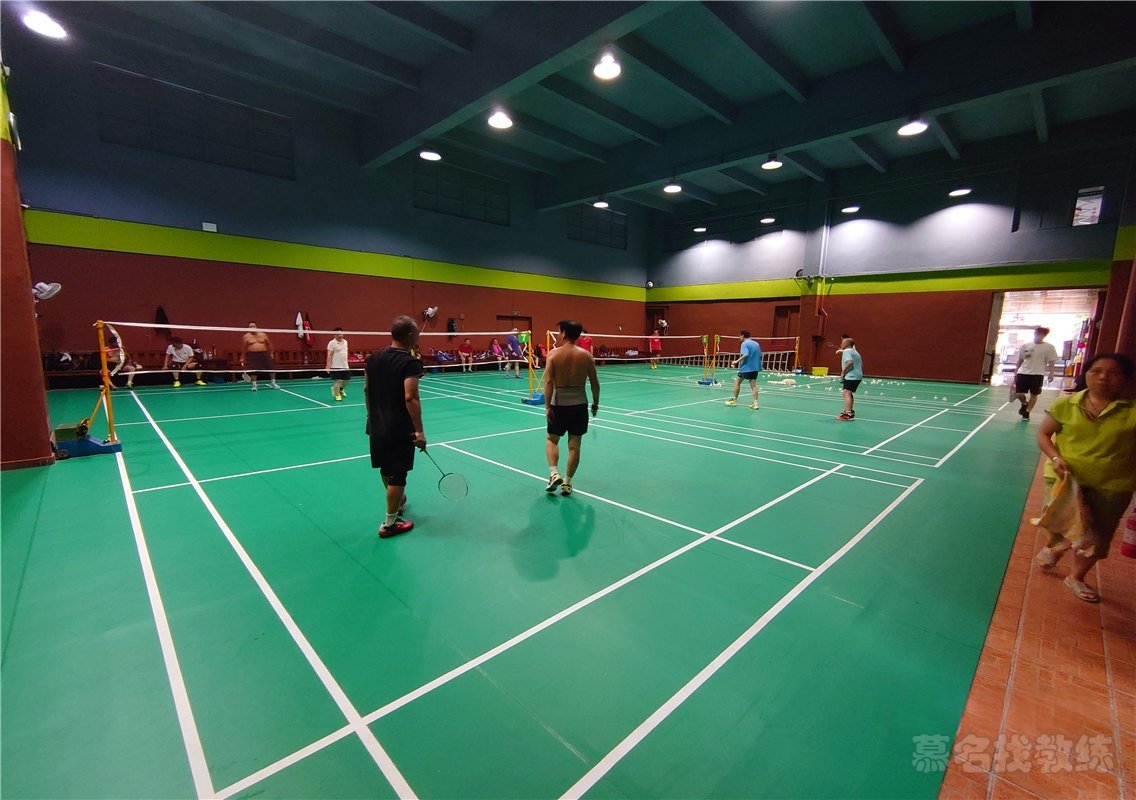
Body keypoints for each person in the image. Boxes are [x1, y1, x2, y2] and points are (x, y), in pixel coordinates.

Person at [1034, 353, 1136, 603]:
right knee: (1057, 522)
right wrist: (1055, 458)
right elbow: (1044, 434)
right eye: (1096, 371)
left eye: (1114, 373)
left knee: (1096, 536)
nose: (1103, 377)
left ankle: (1076, 577)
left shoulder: (1132, 411)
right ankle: (1056, 547)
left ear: (1125, 379)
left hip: (1111, 485)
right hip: (1064, 481)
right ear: (1086, 374)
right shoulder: (1066, 405)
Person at [365, 315, 427, 538]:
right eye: (417, 333)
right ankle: (389, 524)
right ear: (410, 335)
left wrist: (371, 416)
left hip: (376, 423)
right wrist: (419, 430)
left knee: (385, 468)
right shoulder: (410, 362)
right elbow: (411, 397)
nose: (419, 336)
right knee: (398, 475)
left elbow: (366, 389)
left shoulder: (373, 358)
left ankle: (397, 502)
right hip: (399, 427)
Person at [543, 319, 600, 496]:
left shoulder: (553, 355)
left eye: (559, 331)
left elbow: (549, 382)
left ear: (564, 333)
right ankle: (567, 483)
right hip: (579, 405)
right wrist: (595, 404)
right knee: (574, 445)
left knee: (552, 440)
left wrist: (547, 406)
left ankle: (554, 473)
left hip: (558, 404)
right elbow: (595, 383)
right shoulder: (586, 356)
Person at [1011, 326, 1059, 421]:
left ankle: (1027, 413)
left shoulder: (1049, 347)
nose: (1037, 336)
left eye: (1040, 334)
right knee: (1019, 394)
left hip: (1038, 374)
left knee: (1034, 395)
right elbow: (1020, 360)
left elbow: (1051, 362)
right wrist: (1016, 371)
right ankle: (1024, 404)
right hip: (1023, 373)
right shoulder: (1026, 346)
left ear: (1044, 336)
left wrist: (1051, 373)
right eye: (1036, 334)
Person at [725, 330, 761, 409]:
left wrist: (736, 361)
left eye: (739, 336)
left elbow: (746, 354)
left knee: (737, 382)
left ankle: (734, 400)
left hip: (746, 367)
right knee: (753, 385)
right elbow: (759, 355)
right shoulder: (756, 344)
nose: (739, 338)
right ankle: (755, 403)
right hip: (755, 367)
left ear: (743, 336)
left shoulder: (744, 343)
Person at [242, 322, 278, 391]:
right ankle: (254, 386)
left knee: (271, 368)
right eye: (250, 326)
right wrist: (242, 357)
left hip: (264, 354)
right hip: (252, 355)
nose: (252, 327)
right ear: (248, 328)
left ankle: (273, 383)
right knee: (253, 370)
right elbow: (244, 347)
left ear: (256, 327)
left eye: (253, 326)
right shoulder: (246, 336)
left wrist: (271, 353)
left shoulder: (263, 334)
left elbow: (269, 344)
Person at [835, 338, 864, 421]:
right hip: (857, 375)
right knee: (849, 393)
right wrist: (841, 351)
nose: (841, 344)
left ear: (846, 344)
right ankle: (850, 410)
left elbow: (850, 362)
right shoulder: (855, 352)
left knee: (846, 393)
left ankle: (848, 414)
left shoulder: (847, 351)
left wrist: (843, 372)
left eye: (842, 343)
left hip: (851, 376)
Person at [326, 327, 350, 401]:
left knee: (346, 381)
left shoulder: (345, 342)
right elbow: (329, 354)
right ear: (334, 335)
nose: (340, 335)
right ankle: (337, 395)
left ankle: (340, 389)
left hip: (345, 366)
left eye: (341, 334)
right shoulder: (332, 343)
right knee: (338, 381)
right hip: (335, 366)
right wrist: (328, 365)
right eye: (338, 334)